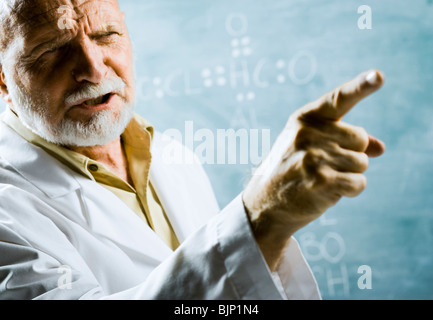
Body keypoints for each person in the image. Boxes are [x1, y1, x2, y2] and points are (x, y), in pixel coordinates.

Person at [0, 0, 385, 300]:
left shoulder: (171, 155)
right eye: (52, 49)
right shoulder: (7, 211)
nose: (95, 69)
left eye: (106, 35)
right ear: (3, 80)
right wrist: (263, 216)